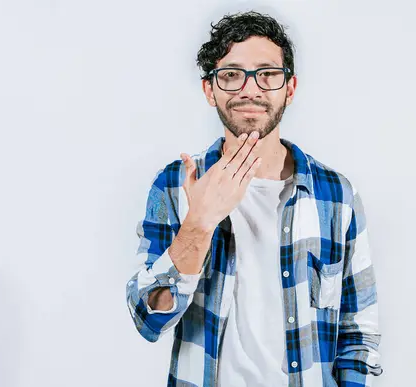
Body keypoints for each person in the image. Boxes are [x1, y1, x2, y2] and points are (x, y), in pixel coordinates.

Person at [126, 10, 383, 387]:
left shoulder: (336, 195)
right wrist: (199, 224)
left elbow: (359, 334)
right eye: (231, 75)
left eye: (267, 74)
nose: (250, 89)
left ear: (290, 88)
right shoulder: (175, 185)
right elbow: (148, 319)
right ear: (209, 90)